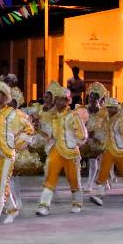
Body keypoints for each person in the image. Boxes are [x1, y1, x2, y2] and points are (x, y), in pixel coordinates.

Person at [0, 81, 34, 232]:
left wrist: (16, 144)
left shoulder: (13, 114)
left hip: (7, 153)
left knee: (2, 184)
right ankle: (12, 208)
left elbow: (29, 129)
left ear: (5, 97)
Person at [36, 86, 89, 216]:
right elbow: (46, 133)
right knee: (50, 176)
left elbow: (82, 135)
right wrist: (38, 127)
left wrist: (74, 142)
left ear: (68, 101)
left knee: (73, 178)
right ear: (55, 100)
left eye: (63, 100)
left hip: (71, 151)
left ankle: (77, 202)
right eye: (58, 99)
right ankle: (44, 206)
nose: (61, 102)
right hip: (56, 150)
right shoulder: (50, 115)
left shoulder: (73, 115)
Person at [90, 98, 123, 205]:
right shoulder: (106, 120)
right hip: (108, 150)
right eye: (108, 107)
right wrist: (96, 137)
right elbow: (102, 133)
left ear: (116, 108)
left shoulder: (121, 120)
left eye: (112, 107)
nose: (110, 109)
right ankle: (99, 195)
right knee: (103, 171)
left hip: (121, 151)